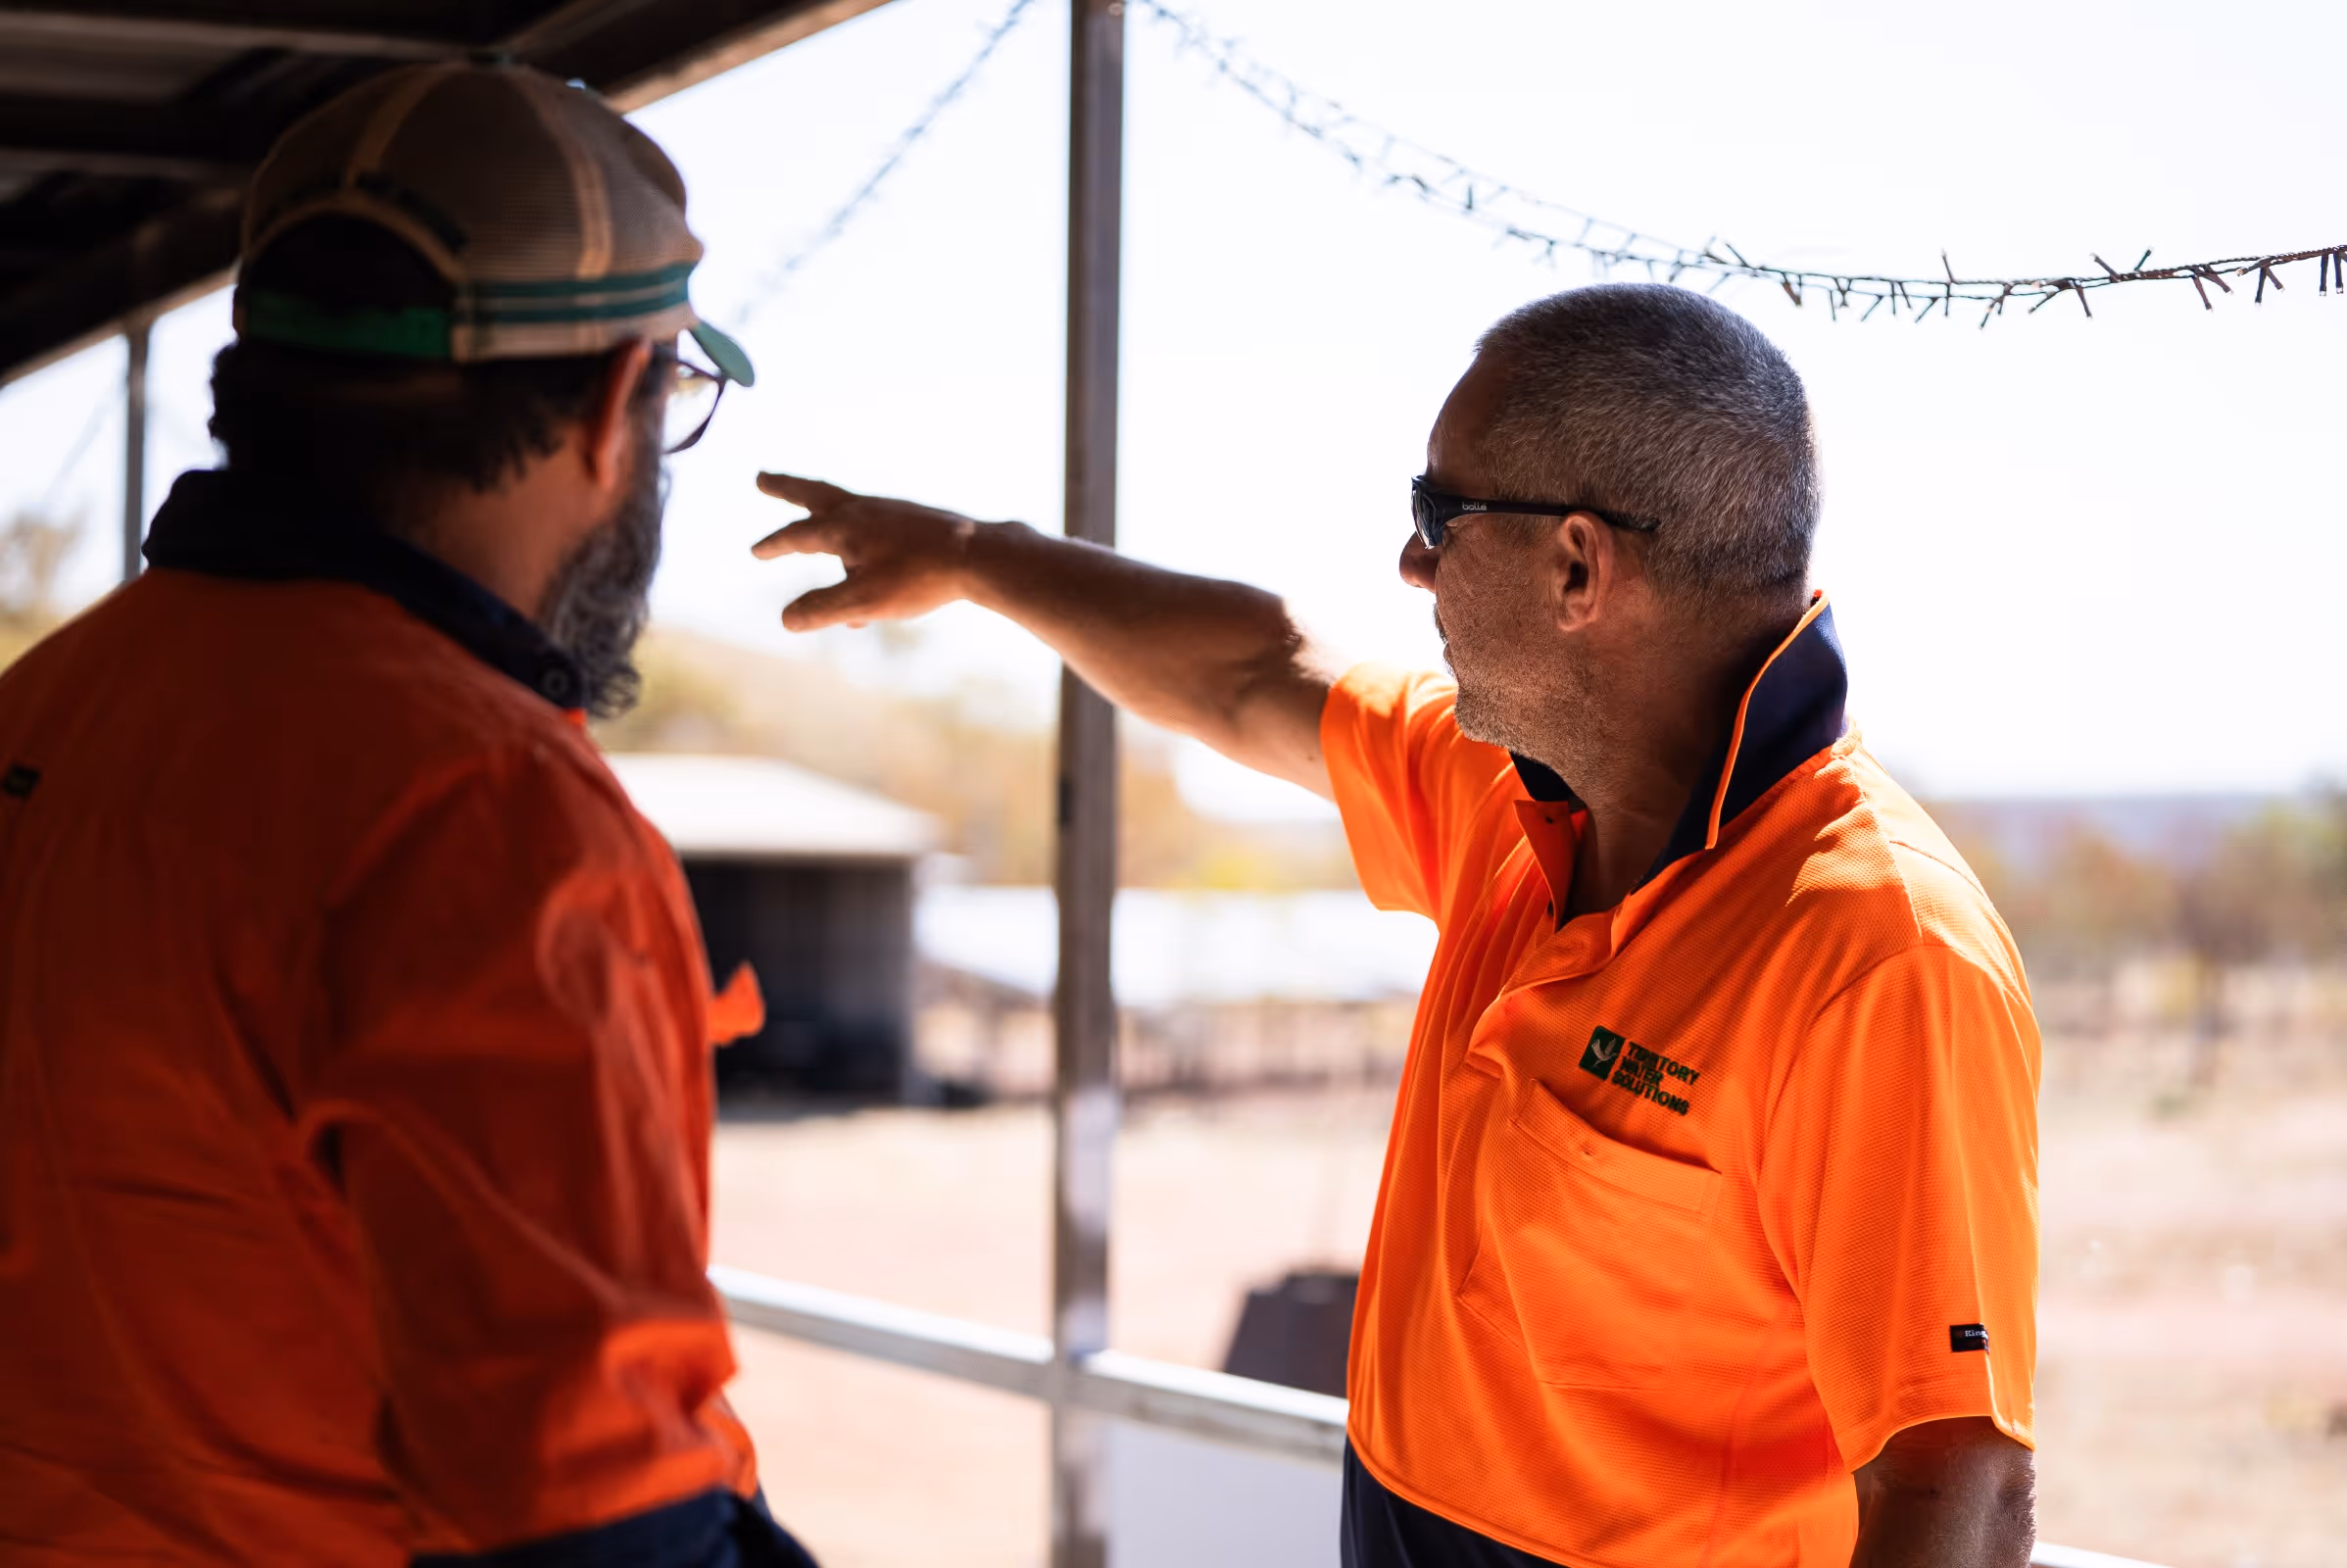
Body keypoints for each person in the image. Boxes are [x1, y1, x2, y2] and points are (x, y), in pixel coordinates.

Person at [748, 283, 2040, 1568]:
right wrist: (973, 557)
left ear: (1578, 565)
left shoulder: (1876, 953)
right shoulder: (1516, 799)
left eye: (1440, 516)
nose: (1411, 564)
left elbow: (1957, 1491)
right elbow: (1257, 670)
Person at [0, 63, 812, 1567]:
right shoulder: (485, 814)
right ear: (616, 407)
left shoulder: (48, 707)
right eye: (674, 397)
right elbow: (590, 1527)